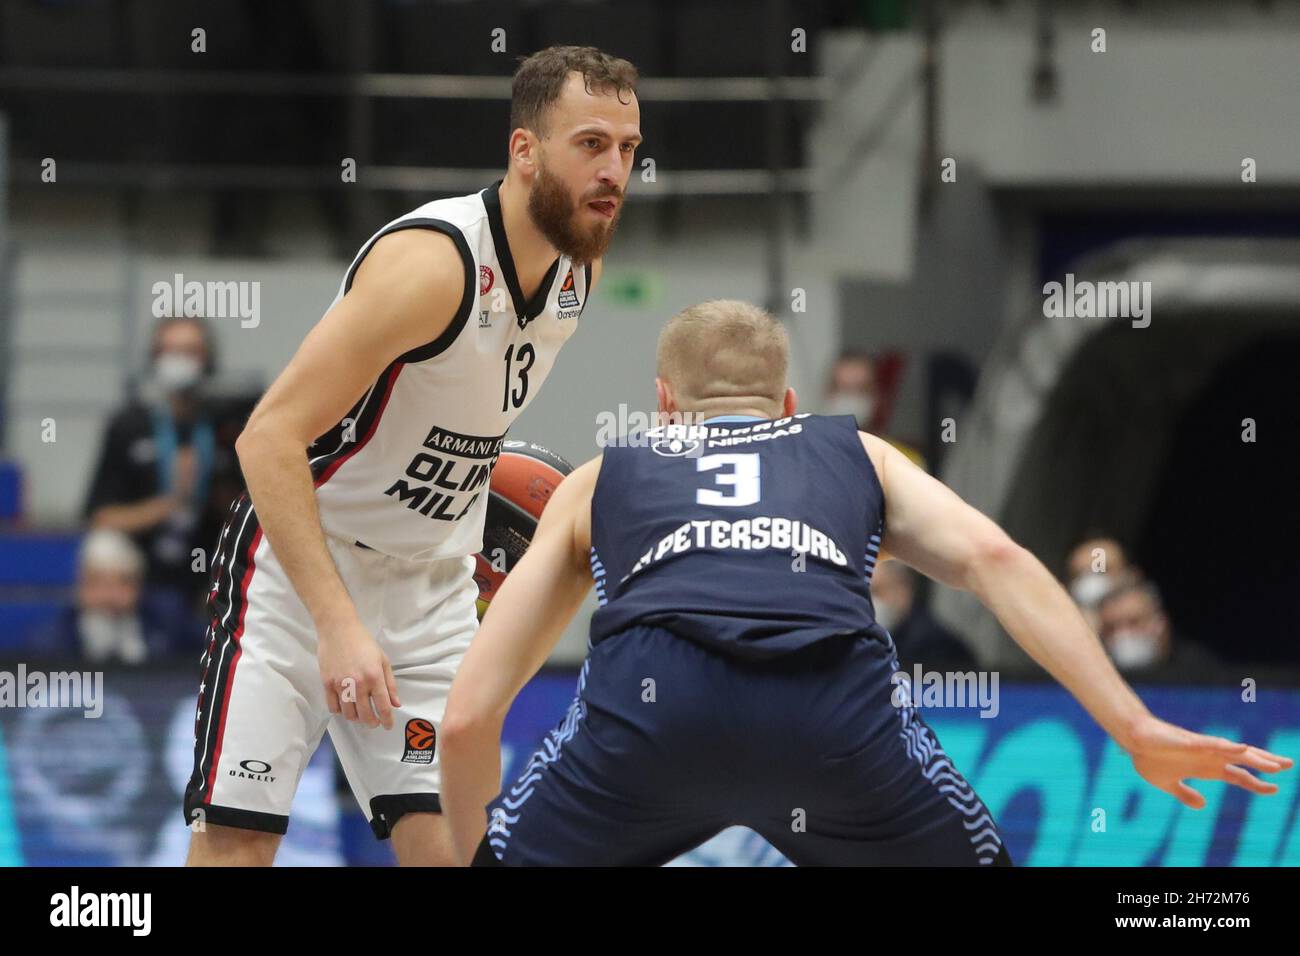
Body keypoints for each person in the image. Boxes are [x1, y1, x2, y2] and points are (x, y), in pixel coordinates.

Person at [440, 299, 1293, 867]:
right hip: (832, 716)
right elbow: (997, 563)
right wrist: (1134, 724)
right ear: (788, 405)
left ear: (663, 404)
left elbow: (471, 717)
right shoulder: (853, 450)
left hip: (650, 718)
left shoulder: (602, 476)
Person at [183, 45, 641, 867]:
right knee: (239, 841)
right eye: (591, 144)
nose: (614, 170)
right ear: (525, 151)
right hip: (300, 575)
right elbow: (267, 437)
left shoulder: (581, 265)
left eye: (628, 150)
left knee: (456, 844)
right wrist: (336, 625)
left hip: (431, 590)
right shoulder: (432, 268)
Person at [84, 315, 241, 608]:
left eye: (190, 351)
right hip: (141, 554)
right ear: (154, 358)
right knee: (103, 548)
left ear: (208, 360)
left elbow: (248, 507)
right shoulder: (128, 425)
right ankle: (115, 648)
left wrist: (207, 488)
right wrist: (171, 502)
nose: (179, 360)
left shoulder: (228, 425)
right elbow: (101, 516)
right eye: (170, 351)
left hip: (208, 550)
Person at [26, 528, 203, 664]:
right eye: (97, 582)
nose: (109, 596)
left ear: (139, 585)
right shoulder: (52, 640)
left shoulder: (169, 623)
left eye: (123, 582)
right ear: (81, 585)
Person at [1097, 577, 1220, 677]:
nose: (1122, 634)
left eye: (1134, 622)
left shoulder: (1203, 671)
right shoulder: (1098, 676)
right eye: (1111, 627)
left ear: (1160, 623)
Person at [870, 559, 975, 668]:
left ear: (903, 589)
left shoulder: (935, 645)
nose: (869, 602)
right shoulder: (877, 639)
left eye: (876, 592)